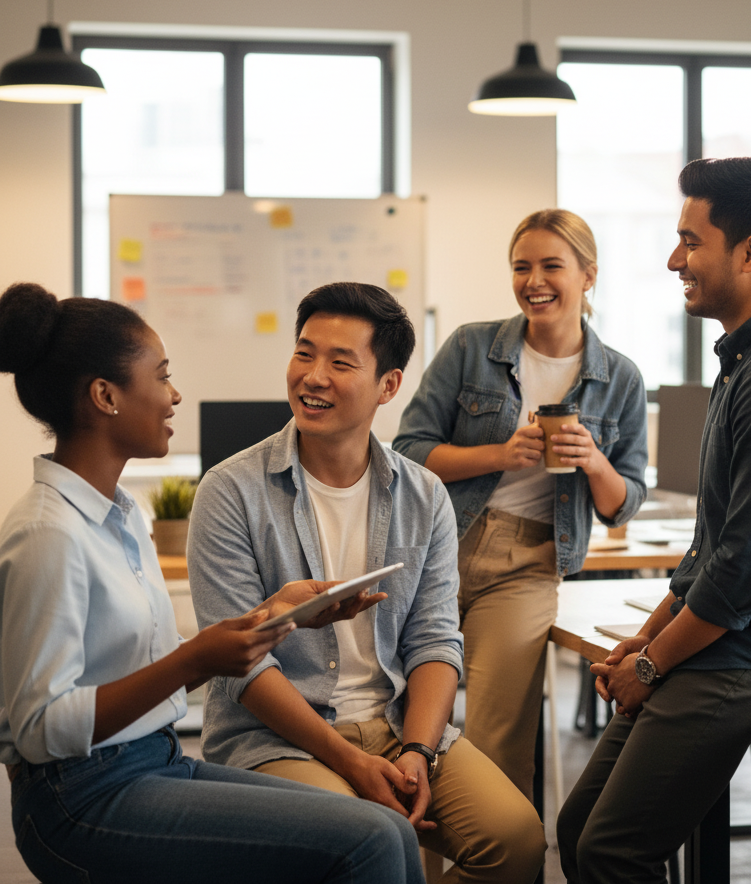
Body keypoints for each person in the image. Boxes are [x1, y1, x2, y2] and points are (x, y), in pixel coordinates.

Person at [0, 282, 426, 884]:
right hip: (80, 797)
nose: (175, 396)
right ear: (105, 396)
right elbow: (42, 730)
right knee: (367, 842)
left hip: (154, 759)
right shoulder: (49, 534)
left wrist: (275, 615)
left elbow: (125, 666)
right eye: (162, 376)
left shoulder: (117, 515)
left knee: (388, 833)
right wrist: (195, 662)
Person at [556, 157, 751, 884]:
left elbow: (748, 573)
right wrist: (650, 632)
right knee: (580, 831)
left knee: (609, 850)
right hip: (732, 640)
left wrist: (651, 662)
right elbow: (716, 548)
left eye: (691, 242)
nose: (675, 260)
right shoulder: (748, 360)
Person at [187, 281, 545, 884]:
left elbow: (434, 640)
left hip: (398, 723)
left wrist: (416, 752)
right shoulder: (230, 491)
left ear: (388, 386)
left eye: (339, 361)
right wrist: (352, 762)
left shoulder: (423, 493)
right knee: (369, 842)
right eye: (304, 353)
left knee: (517, 841)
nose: (313, 376)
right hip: (279, 738)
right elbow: (243, 667)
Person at [393, 209, 648, 798]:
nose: (534, 280)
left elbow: (622, 505)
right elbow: (410, 449)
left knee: (495, 744)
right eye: (521, 267)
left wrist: (593, 460)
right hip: (439, 545)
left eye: (551, 266)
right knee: (406, 729)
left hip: (528, 566)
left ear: (588, 276)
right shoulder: (471, 347)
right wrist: (500, 455)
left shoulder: (622, 380)